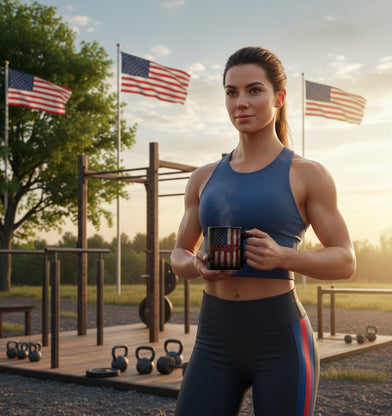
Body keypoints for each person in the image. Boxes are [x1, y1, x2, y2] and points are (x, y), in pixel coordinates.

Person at [171, 46, 356, 416]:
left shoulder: (308, 174)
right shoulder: (204, 177)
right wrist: (198, 266)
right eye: (231, 92)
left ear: (279, 98)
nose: (241, 102)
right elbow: (179, 255)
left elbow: (345, 259)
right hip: (213, 340)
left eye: (254, 90)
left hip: (280, 339)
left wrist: (285, 256)